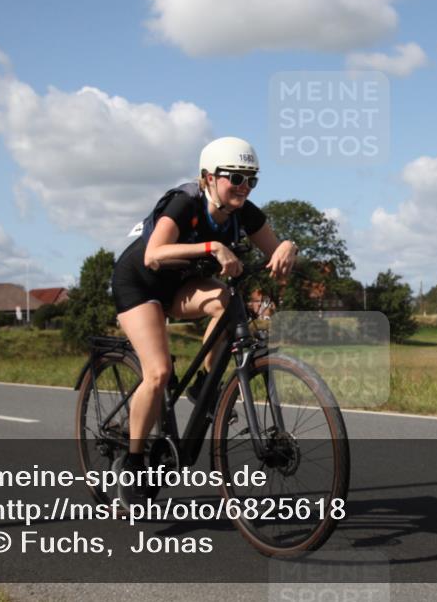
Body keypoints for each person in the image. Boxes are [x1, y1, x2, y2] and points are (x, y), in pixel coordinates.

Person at [111, 137, 298, 500]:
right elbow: (154, 255)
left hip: (181, 284)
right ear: (208, 177)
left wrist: (289, 247)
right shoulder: (184, 203)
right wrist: (212, 247)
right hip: (141, 284)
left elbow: (276, 254)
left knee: (226, 300)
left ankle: (204, 385)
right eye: (235, 177)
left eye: (251, 179)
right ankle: (133, 465)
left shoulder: (244, 212)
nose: (244, 186)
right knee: (159, 372)